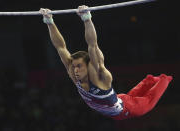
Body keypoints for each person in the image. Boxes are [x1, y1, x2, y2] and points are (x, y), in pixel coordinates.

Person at [39, 6, 173, 120]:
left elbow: (92, 44)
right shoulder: (74, 74)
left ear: (89, 65)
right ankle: (149, 80)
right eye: (74, 67)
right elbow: (60, 47)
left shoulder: (100, 76)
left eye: (79, 66)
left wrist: (87, 19)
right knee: (131, 96)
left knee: (149, 101)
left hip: (128, 109)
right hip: (117, 103)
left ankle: (164, 79)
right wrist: (49, 21)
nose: (75, 71)